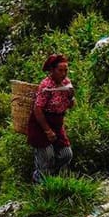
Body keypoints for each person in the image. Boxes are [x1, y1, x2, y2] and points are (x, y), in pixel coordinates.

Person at [28, 53, 75, 181]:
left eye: (66, 70)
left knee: (66, 154)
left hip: (57, 123)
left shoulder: (66, 82)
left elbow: (70, 105)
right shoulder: (46, 86)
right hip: (41, 124)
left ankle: (54, 178)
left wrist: (71, 96)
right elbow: (38, 109)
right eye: (60, 70)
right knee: (47, 156)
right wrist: (47, 131)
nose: (64, 73)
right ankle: (41, 183)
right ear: (52, 70)